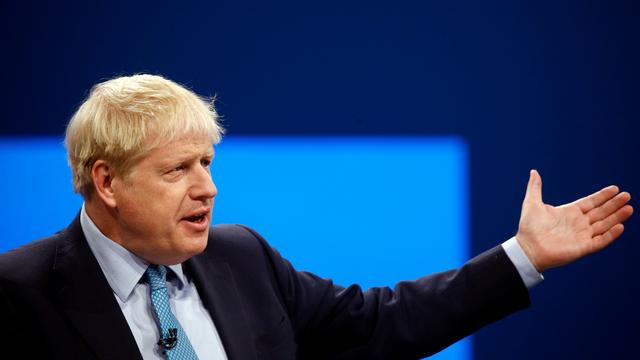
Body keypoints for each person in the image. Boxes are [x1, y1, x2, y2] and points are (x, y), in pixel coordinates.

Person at [0, 74, 633, 360]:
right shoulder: (19, 293)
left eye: (207, 163)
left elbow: (379, 325)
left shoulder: (239, 255)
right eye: (177, 171)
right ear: (106, 181)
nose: (208, 189)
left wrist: (524, 257)